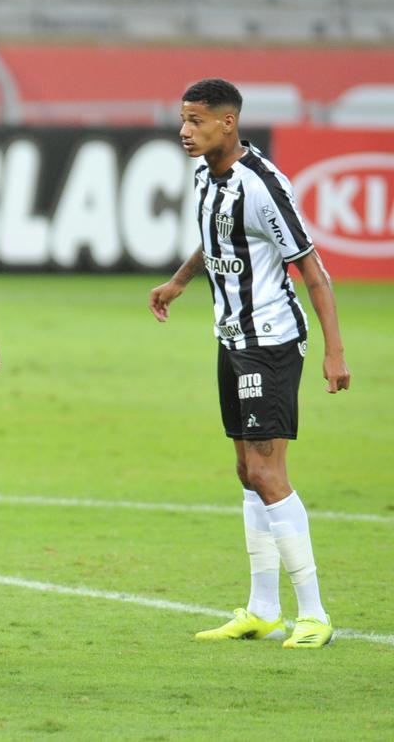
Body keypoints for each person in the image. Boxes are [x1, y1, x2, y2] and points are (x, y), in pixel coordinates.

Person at [149, 78, 350, 649]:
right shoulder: (206, 177)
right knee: (246, 472)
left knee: (267, 473)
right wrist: (180, 282)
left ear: (228, 122)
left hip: (272, 341)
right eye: (183, 120)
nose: (185, 131)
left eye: (196, 120)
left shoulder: (264, 186)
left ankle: (313, 614)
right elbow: (217, 241)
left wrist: (334, 352)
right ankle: (264, 609)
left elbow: (313, 270)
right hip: (232, 337)